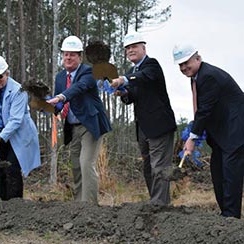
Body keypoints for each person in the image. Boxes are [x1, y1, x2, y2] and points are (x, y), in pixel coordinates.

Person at [173, 44, 244, 218]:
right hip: (221, 134)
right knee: (217, 173)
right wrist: (196, 129)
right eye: (180, 65)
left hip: (235, 131)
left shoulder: (209, 76)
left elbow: (205, 110)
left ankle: (231, 219)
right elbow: (204, 109)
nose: (183, 68)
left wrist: (192, 138)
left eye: (186, 62)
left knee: (230, 175)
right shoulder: (196, 77)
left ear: (198, 58)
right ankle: (225, 215)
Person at [111, 32, 176, 205]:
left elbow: (145, 77)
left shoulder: (151, 65)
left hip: (159, 125)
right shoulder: (132, 71)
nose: (131, 50)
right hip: (142, 127)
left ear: (143, 48)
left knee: (159, 166)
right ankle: (157, 201)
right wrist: (123, 92)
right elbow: (131, 97)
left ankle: (159, 204)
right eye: (128, 48)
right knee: (148, 167)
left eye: (134, 47)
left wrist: (123, 80)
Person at [47, 36, 112, 204]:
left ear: (80, 57)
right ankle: (78, 205)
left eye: (72, 55)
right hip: (72, 127)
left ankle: (90, 205)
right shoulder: (60, 77)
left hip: (90, 125)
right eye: (65, 54)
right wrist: (49, 105)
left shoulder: (89, 72)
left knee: (85, 163)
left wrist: (61, 97)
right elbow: (60, 104)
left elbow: (78, 88)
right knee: (75, 165)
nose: (68, 58)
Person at [0, 54, 41, 201]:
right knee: (0, 170)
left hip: (18, 136)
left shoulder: (18, 91)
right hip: (0, 135)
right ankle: (3, 205)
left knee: (12, 169)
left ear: (7, 74)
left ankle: (16, 208)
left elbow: (16, 120)